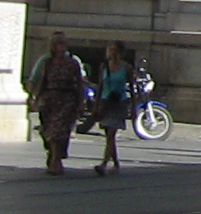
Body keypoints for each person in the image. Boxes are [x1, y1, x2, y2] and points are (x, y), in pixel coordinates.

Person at [25, 34, 88, 175]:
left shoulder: (73, 63)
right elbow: (42, 81)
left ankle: (56, 161)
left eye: (64, 43)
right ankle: (54, 156)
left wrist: (80, 102)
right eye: (59, 43)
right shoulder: (47, 62)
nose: (62, 46)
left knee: (59, 131)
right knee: (49, 131)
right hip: (50, 100)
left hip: (67, 100)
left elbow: (79, 83)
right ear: (53, 46)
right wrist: (36, 98)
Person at [89, 42, 133, 176]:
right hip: (105, 102)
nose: (112, 52)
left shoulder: (126, 68)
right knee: (109, 135)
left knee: (111, 134)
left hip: (119, 103)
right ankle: (116, 163)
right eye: (110, 49)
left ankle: (103, 164)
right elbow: (100, 86)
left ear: (121, 52)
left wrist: (133, 107)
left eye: (114, 50)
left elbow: (131, 87)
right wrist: (96, 106)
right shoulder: (104, 66)